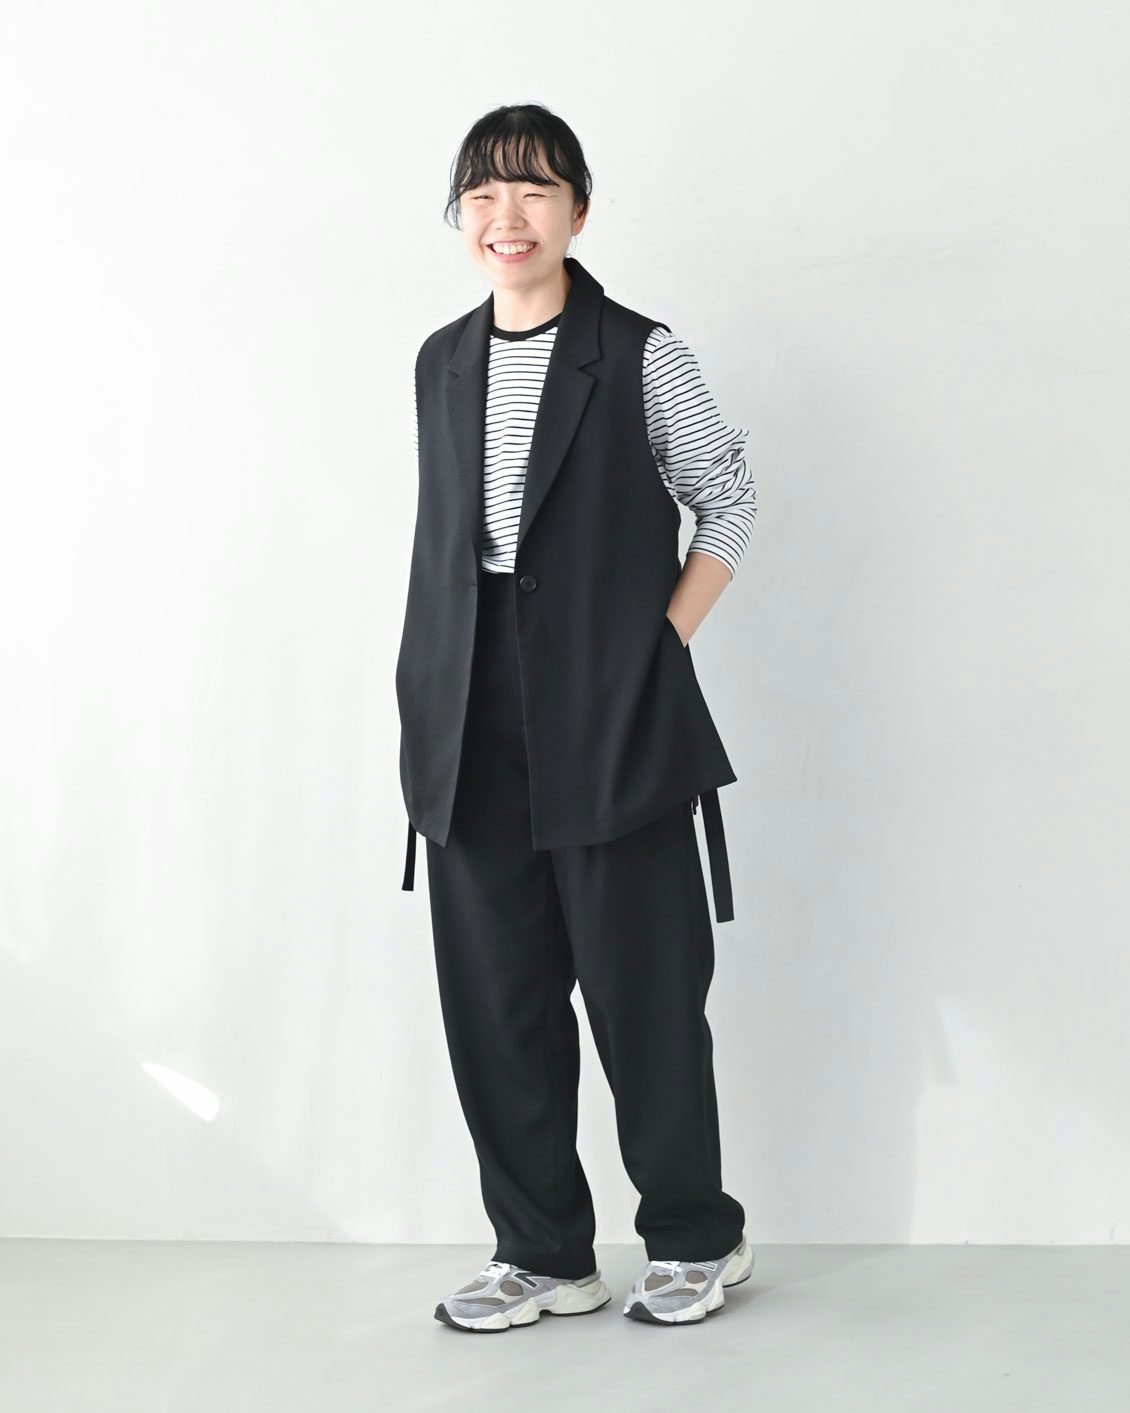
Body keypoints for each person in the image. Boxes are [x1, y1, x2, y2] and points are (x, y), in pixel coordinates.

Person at [395, 103, 758, 1330]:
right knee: (496, 1002)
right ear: (461, 216)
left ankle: (696, 1237)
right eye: (484, 195)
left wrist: (656, 648)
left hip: (613, 715)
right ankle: (542, 1251)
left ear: (578, 211)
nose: (507, 217)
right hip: (465, 720)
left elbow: (726, 499)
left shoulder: (640, 353)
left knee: (643, 990)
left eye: (535, 191)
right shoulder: (440, 360)